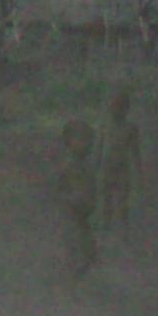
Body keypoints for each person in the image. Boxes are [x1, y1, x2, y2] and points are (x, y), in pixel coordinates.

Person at [52, 118, 100, 280]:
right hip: (72, 218)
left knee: (91, 254)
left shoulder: (87, 166)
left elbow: (92, 188)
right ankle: (69, 287)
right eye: (81, 140)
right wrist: (70, 199)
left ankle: (72, 282)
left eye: (89, 140)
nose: (86, 144)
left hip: (83, 218)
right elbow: (58, 190)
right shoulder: (69, 166)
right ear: (68, 142)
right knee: (75, 253)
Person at [99, 85, 143, 232]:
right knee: (107, 201)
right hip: (107, 167)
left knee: (122, 201)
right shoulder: (105, 125)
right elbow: (100, 146)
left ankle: (124, 230)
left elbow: (135, 151)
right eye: (114, 106)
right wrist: (96, 166)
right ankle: (106, 229)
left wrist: (139, 170)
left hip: (122, 168)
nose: (116, 110)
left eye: (120, 107)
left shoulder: (130, 128)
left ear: (126, 109)